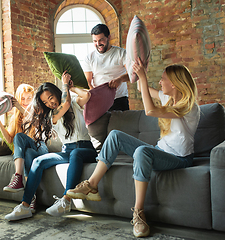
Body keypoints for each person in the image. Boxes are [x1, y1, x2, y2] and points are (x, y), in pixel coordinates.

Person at [66, 60, 200, 238]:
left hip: (179, 158)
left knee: (141, 152)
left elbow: (150, 111)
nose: (160, 82)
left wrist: (144, 78)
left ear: (174, 83)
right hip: (160, 151)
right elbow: (140, 88)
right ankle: (92, 186)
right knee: (114, 135)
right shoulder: (169, 98)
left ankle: (138, 213)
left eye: (163, 79)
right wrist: (134, 71)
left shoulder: (189, 108)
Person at [4, 72, 98, 221]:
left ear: (56, 93)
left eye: (51, 98)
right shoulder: (51, 116)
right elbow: (64, 104)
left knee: (76, 154)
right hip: (67, 150)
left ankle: (66, 201)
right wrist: (65, 85)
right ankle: (25, 206)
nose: (49, 103)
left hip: (86, 149)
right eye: (45, 102)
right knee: (38, 162)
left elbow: (87, 96)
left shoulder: (73, 102)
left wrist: (70, 88)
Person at [0, 84, 48, 212]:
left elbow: (36, 123)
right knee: (27, 152)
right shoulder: (15, 118)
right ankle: (31, 197)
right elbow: (9, 140)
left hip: (41, 148)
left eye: (29, 98)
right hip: (30, 152)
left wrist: (18, 106)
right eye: (22, 99)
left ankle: (18, 177)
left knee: (22, 139)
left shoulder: (38, 111)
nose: (25, 102)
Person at [83, 23, 130, 111]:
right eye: (95, 41)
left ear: (109, 37)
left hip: (119, 100)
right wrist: (94, 94)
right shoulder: (89, 58)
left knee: (122, 125)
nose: (98, 44)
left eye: (101, 40)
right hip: (98, 100)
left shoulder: (122, 53)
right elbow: (88, 82)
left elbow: (132, 74)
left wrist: (120, 79)